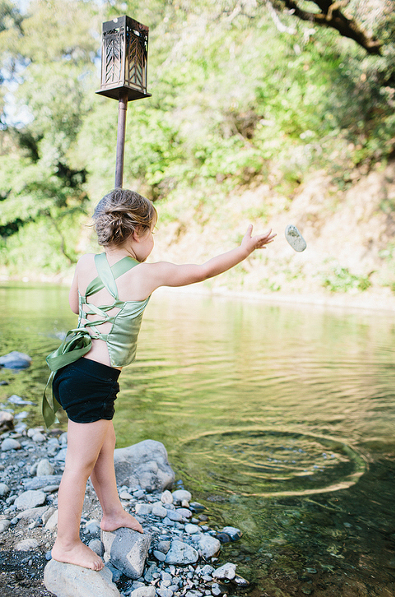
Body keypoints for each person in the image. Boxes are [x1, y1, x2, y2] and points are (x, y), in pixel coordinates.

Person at [43, 189, 275, 570]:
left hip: (74, 370)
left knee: (105, 442)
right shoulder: (148, 273)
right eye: (153, 233)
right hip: (93, 380)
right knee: (78, 463)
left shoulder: (86, 263)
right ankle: (65, 543)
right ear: (137, 233)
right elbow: (203, 270)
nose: (153, 241)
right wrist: (245, 249)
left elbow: (74, 306)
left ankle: (113, 513)